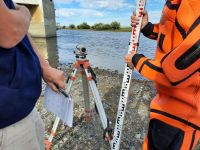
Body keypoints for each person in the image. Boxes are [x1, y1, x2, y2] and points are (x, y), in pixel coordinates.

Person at [125, 0, 200, 149]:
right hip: (162, 103)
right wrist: (147, 27)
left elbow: (174, 72)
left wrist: (137, 61)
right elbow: (173, 32)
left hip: (183, 115)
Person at [0, 0, 65, 149]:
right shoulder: (23, 12)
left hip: (24, 108)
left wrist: (44, 66)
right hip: (8, 122)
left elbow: (21, 34)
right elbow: (10, 30)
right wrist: (25, 12)